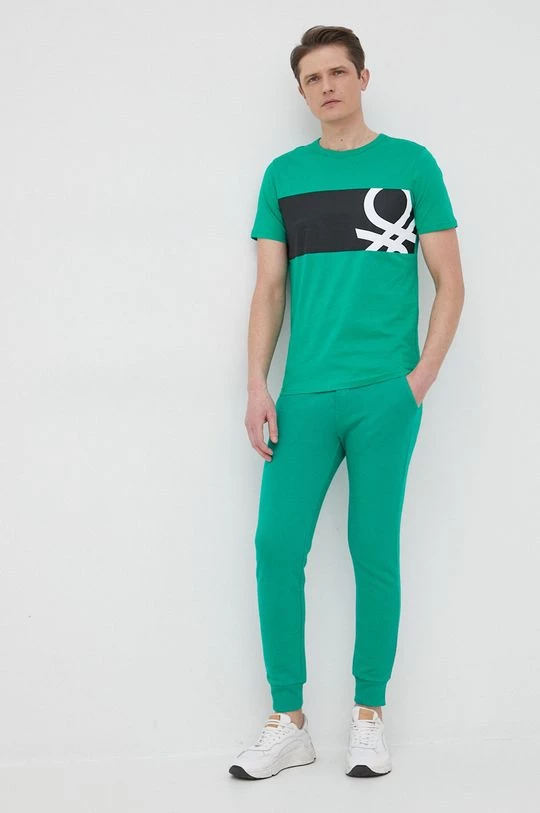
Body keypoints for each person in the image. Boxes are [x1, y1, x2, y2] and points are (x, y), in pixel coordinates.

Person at [229, 24, 464, 781]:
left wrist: (418, 379)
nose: (326, 86)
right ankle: (288, 722)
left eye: (337, 72)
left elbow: (451, 282)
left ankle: (369, 716)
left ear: (363, 77)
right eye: (312, 78)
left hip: (384, 395)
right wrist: (258, 385)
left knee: (373, 550)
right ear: (301, 92)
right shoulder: (283, 176)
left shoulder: (411, 164)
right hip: (304, 394)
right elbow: (269, 288)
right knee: (275, 545)